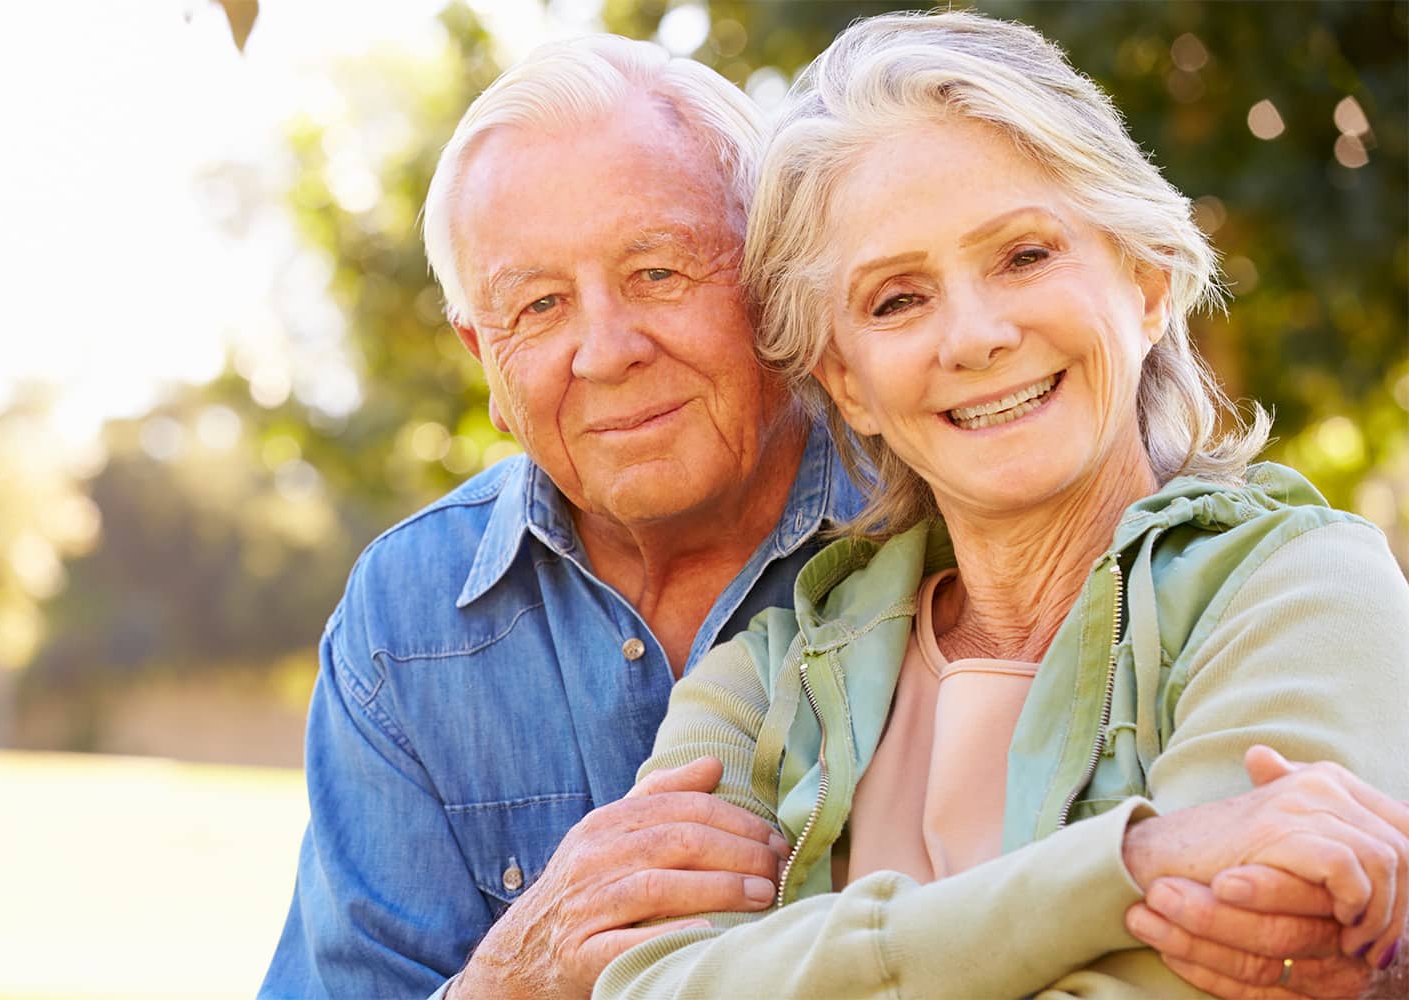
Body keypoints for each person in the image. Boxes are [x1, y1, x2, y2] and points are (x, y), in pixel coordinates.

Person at [595, 11, 1409, 999]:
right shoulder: (761, 688)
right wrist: (1131, 865)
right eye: (895, 298)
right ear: (844, 379)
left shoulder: (1298, 593)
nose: (975, 335)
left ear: (1145, 284)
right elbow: (643, 987)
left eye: (1023, 255)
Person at [260, 34, 868, 1000]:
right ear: (483, 361)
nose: (606, 350)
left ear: (772, 276)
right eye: (538, 306)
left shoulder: (939, 524)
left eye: (657, 272)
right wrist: (515, 973)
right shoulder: (407, 617)